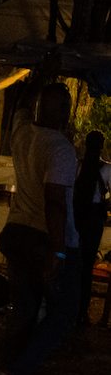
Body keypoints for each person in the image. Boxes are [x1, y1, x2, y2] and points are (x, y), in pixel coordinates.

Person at [0, 54, 80, 375]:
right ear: (64, 113)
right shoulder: (59, 149)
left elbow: (18, 105)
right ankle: (20, 370)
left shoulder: (22, 133)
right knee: (64, 314)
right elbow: (56, 202)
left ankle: (10, 373)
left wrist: (36, 77)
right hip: (44, 238)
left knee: (26, 308)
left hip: (16, 232)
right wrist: (59, 251)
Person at [74, 129, 111, 332]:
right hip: (93, 220)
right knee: (87, 267)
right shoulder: (106, 169)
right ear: (102, 146)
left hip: (77, 218)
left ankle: (70, 309)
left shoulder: (78, 165)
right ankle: (81, 312)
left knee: (73, 263)